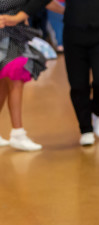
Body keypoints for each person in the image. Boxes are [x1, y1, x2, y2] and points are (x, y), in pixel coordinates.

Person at [0, 0, 62, 151]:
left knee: (4, 83)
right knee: (15, 76)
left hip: (15, 34)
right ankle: (18, 133)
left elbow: (41, 2)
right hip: (5, 35)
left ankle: (17, 134)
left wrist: (72, 12)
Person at [62, 0, 99, 146]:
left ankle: (98, 112)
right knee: (78, 85)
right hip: (74, 33)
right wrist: (22, 14)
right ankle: (85, 129)